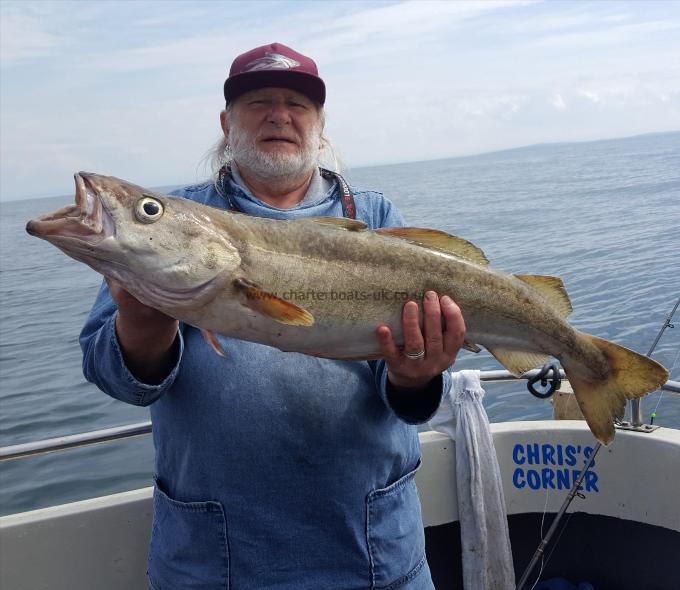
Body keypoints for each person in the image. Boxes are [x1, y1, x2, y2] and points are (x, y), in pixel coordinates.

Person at [80, 42, 466, 590]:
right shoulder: (168, 223)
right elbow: (113, 376)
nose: (279, 115)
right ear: (226, 122)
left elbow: (410, 398)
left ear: (319, 124)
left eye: (297, 104)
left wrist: (415, 375)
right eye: (258, 101)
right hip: (216, 560)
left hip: (373, 552)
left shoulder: (375, 218)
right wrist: (143, 326)